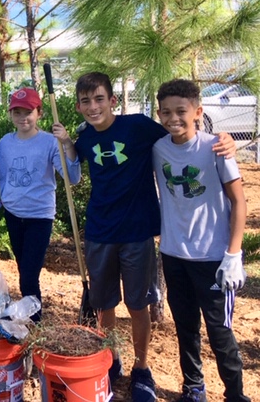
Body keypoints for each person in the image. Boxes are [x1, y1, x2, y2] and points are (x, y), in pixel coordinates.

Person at [59, 72, 235, 402]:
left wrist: (221, 138)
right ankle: (111, 359)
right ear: (79, 106)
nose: (93, 107)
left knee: (138, 304)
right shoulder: (84, 140)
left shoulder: (139, 126)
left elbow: (180, 133)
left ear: (112, 100)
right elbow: (73, 173)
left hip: (138, 232)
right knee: (104, 304)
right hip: (100, 232)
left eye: (99, 99)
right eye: (85, 102)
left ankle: (141, 368)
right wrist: (67, 143)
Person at [152, 79, 250, 402]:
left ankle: (235, 394)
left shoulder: (217, 148)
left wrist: (233, 254)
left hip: (213, 258)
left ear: (198, 111)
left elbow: (239, 201)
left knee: (220, 332)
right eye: (166, 112)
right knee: (185, 327)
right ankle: (193, 387)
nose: (173, 118)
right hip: (174, 255)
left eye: (181, 111)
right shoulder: (158, 148)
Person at [0, 88, 81, 321]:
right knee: (24, 269)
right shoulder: (5, 143)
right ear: (10, 114)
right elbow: (1, 176)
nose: (23, 117)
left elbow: (72, 177)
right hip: (13, 213)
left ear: (40, 113)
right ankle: (28, 315)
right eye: (17, 112)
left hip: (39, 216)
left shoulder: (50, 142)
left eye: (29, 112)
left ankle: (34, 322)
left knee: (29, 275)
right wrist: (4, 199)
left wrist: (66, 143)